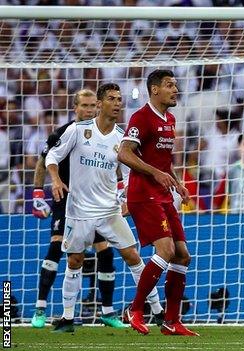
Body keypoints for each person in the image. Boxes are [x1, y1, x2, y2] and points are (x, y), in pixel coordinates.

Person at [45, 83, 163, 333]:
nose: (118, 103)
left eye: (119, 99)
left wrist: (128, 198)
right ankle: (67, 318)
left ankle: (158, 311)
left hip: (110, 211)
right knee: (75, 261)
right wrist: (55, 179)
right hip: (78, 212)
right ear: (100, 104)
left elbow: (132, 173)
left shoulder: (122, 138)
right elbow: (52, 157)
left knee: (133, 256)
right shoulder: (78, 130)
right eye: (112, 98)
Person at [30, 89, 122, 329]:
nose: (89, 110)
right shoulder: (65, 131)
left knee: (106, 251)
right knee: (57, 248)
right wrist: (38, 193)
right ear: (75, 108)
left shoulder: (104, 133)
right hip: (65, 200)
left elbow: (115, 163)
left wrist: (120, 190)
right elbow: (44, 159)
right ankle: (40, 308)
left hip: (95, 202)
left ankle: (108, 311)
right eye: (85, 105)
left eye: (93, 106)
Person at [117, 69, 198, 336]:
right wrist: (155, 173)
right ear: (154, 89)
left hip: (162, 194)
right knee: (164, 250)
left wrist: (178, 184)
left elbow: (164, 162)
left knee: (182, 255)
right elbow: (124, 153)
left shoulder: (171, 119)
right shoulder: (141, 117)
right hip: (143, 194)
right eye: (169, 85)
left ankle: (171, 322)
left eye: (176, 85)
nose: (175, 89)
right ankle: (135, 309)